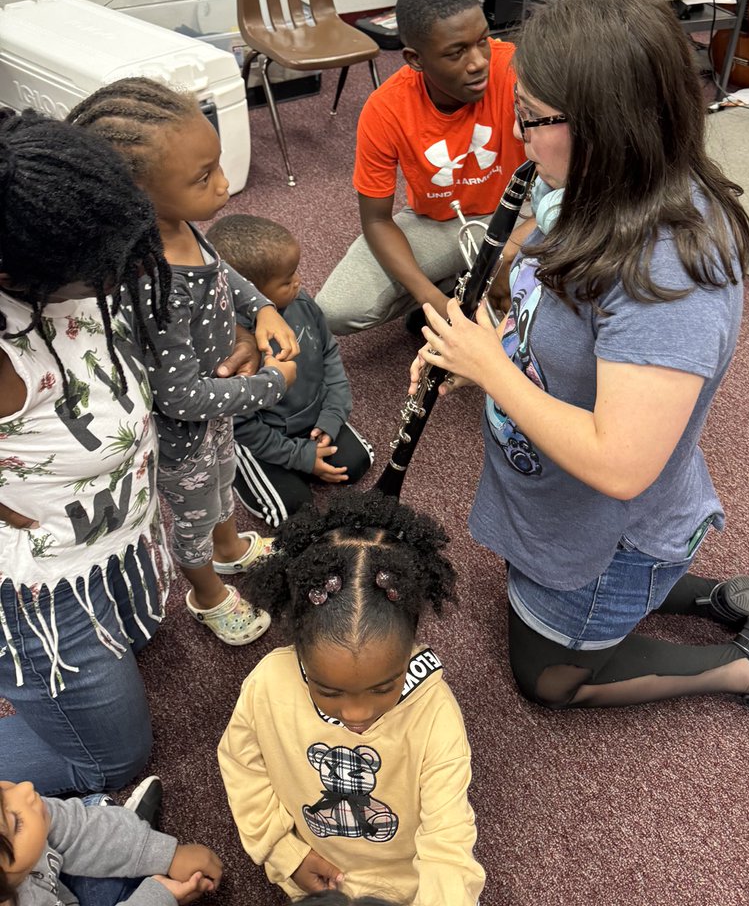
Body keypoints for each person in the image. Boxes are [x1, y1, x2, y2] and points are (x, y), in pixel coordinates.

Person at [411, 0, 749, 752]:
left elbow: (621, 466)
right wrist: (494, 343)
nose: (518, 139)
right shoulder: (593, 189)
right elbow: (556, 312)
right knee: (587, 595)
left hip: (610, 520)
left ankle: (747, 666)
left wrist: (496, 372)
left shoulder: (671, 277)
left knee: (547, 678)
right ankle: (715, 595)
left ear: (606, 127)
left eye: (532, 119)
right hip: (566, 505)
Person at [69, 80, 300, 646]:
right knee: (194, 515)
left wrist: (263, 308)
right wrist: (273, 385)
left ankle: (228, 551)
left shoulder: (179, 226)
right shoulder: (154, 280)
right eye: (204, 177)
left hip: (215, 420)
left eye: (217, 164)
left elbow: (224, 274)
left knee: (224, 485)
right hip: (181, 436)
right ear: (137, 193)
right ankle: (206, 593)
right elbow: (181, 398)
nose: (224, 184)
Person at [0, 110, 177, 794]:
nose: (126, 270)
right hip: (38, 589)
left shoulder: (65, 226)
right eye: (99, 270)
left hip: (107, 542)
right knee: (111, 764)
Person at [217, 493, 485, 904]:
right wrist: (283, 850)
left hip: (405, 890)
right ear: (299, 648)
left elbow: (448, 843)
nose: (358, 716)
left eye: (383, 687)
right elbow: (241, 763)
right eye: (328, 690)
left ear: (411, 646)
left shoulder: (435, 713)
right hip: (310, 873)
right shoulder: (267, 684)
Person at [315, 0, 527, 335]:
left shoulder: (518, 68)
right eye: (456, 52)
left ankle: (480, 275)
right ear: (415, 59)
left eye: (482, 41)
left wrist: (515, 250)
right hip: (442, 221)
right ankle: (458, 282)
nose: (478, 62)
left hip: (526, 209)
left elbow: (582, 178)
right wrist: (434, 301)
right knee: (336, 310)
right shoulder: (385, 109)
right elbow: (377, 221)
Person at [206, 214, 374, 528]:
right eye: (286, 280)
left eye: (294, 272)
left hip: (311, 419)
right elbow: (242, 426)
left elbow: (330, 354)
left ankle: (304, 455)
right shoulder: (229, 350)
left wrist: (333, 415)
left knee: (357, 464)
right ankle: (241, 471)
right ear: (248, 292)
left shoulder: (303, 303)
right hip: (260, 437)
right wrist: (300, 457)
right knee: (292, 511)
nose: (298, 281)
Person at [0, 775, 222, 906]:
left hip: (54, 884)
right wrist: (160, 897)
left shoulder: (25, 811)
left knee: (92, 822)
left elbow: (77, 828)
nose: (25, 788)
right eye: (15, 821)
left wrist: (167, 854)